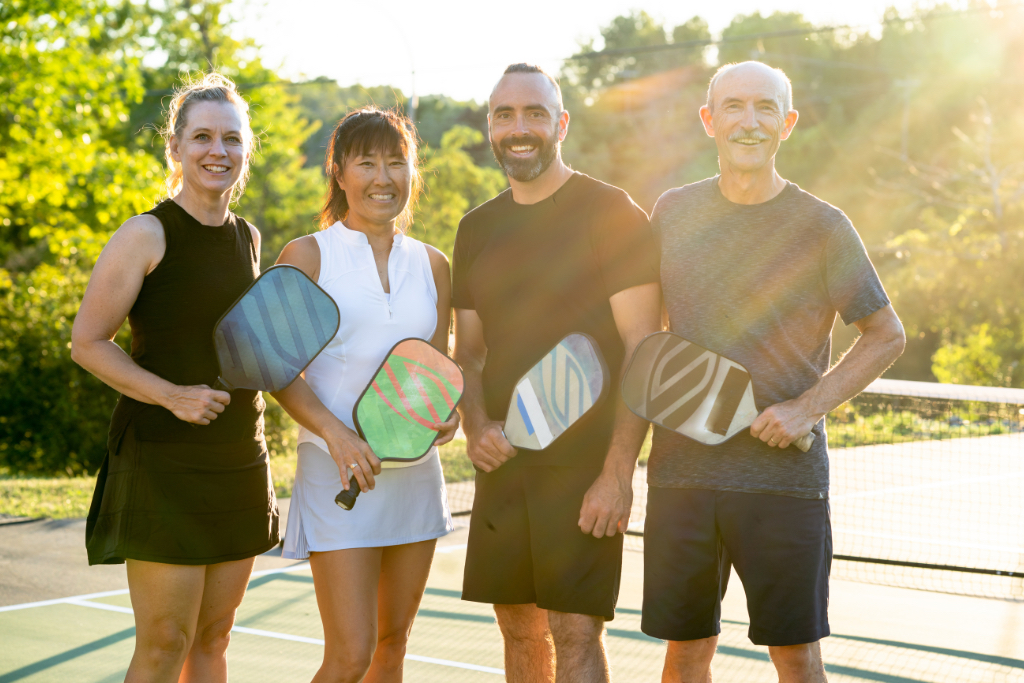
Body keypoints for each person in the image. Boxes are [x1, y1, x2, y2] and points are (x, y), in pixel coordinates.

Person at [643, 61, 907, 683]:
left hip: (784, 483)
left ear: (787, 124)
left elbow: (885, 333)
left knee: (795, 657)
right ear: (709, 120)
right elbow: (643, 337)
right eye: (733, 106)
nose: (749, 121)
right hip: (682, 476)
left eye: (765, 108)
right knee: (685, 654)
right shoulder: (673, 213)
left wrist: (806, 408)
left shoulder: (822, 225)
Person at [452, 63, 661, 683]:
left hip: (584, 469)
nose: (520, 128)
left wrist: (617, 474)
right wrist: (477, 422)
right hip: (505, 465)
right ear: (490, 127)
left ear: (561, 123)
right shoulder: (476, 228)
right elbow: (469, 353)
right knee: (518, 629)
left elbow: (643, 349)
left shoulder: (612, 213)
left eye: (535, 114)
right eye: (505, 115)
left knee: (574, 632)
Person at [72, 72, 278, 682]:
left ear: (246, 150)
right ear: (176, 147)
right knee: (165, 642)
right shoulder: (146, 233)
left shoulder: (248, 238)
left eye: (232, 139)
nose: (218, 151)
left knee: (213, 638)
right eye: (203, 137)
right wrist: (172, 397)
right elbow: (88, 342)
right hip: (164, 461)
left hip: (239, 455)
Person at [272, 107, 459, 683]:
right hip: (338, 477)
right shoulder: (306, 256)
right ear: (339, 171)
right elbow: (277, 371)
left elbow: (433, 367)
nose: (384, 177)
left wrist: (443, 414)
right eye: (367, 162)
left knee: (391, 647)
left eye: (397, 162)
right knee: (349, 656)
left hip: (414, 477)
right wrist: (337, 435)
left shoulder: (433, 263)